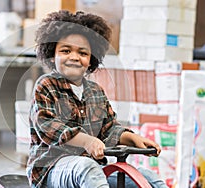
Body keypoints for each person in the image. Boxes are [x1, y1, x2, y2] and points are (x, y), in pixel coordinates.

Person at [26, 10, 167, 188]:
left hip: (92, 169)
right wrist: (87, 141)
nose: (74, 57)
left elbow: (108, 128)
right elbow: (49, 128)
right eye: (66, 50)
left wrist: (133, 139)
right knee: (87, 168)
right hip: (51, 169)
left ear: (91, 60)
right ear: (52, 55)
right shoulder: (46, 86)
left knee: (148, 178)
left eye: (83, 53)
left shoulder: (95, 91)